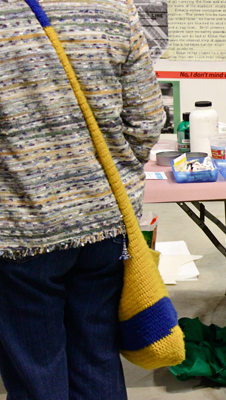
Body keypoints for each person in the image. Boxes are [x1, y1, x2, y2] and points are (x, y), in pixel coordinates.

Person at [0, 0, 165, 398]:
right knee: (97, 354)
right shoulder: (115, 10)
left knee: (36, 367)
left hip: (22, 227)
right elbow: (146, 121)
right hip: (105, 221)